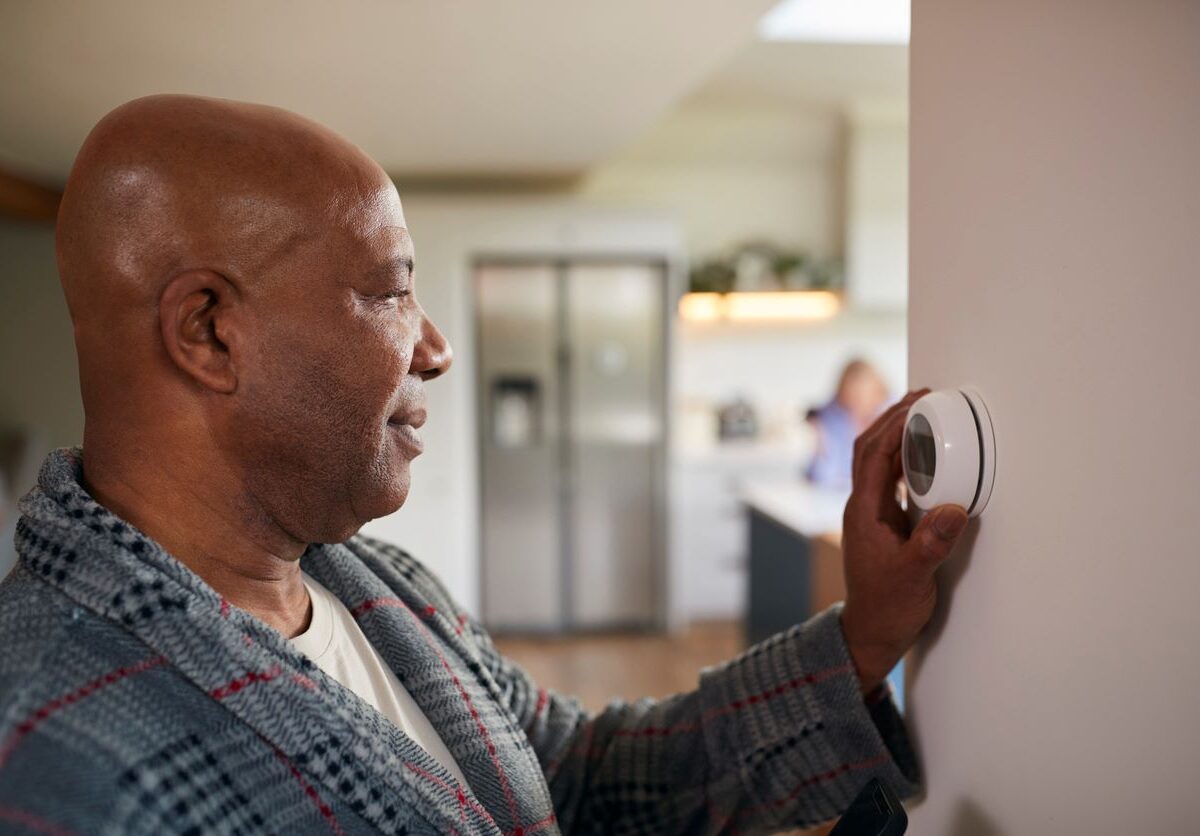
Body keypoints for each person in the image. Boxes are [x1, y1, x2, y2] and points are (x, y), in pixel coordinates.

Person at [0, 95, 969, 834]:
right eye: (388, 291)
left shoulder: (376, 580)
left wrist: (865, 634)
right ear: (209, 331)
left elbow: (580, 773)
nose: (435, 346)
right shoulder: (48, 760)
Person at [805, 360, 891, 491]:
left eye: (860, 397)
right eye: (850, 398)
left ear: (876, 394)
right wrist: (820, 438)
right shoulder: (833, 422)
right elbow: (822, 476)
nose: (855, 406)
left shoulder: (892, 418)